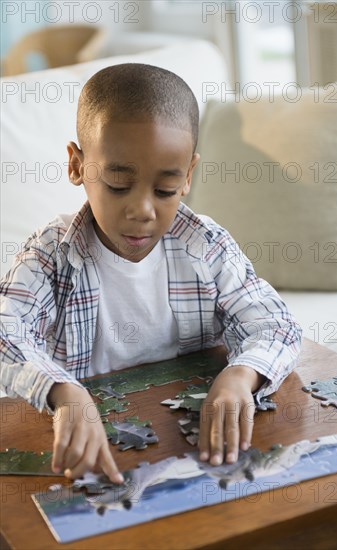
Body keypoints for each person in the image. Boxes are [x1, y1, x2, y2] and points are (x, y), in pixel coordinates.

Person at [0, 63, 302, 484]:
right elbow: (5, 331)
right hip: (94, 452)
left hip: (198, 452)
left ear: (188, 177)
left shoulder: (206, 245)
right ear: (76, 165)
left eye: (164, 191)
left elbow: (277, 325)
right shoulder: (50, 253)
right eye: (118, 185)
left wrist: (241, 375)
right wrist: (64, 393)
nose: (142, 210)